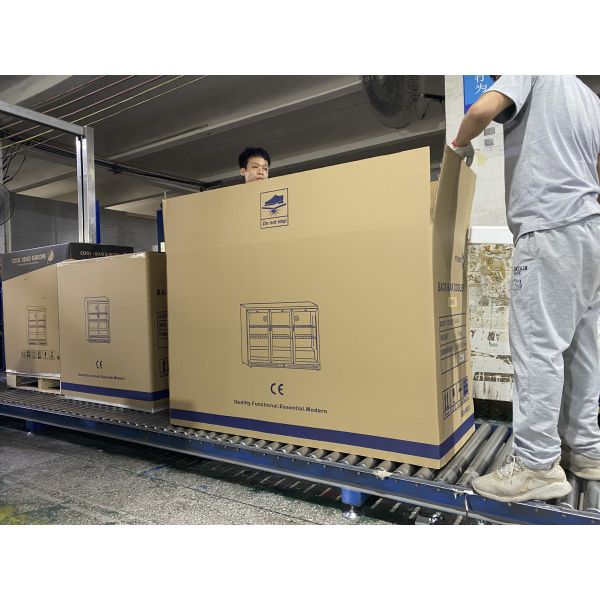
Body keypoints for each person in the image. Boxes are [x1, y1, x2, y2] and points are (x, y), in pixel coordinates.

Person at [451, 76, 600, 503]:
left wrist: (459, 144)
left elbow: (480, 110)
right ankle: (587, 450)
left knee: (537, 348)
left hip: (547, 228)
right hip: (589, 229)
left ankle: (536, 467)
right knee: (583, 349)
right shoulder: (590, 98)